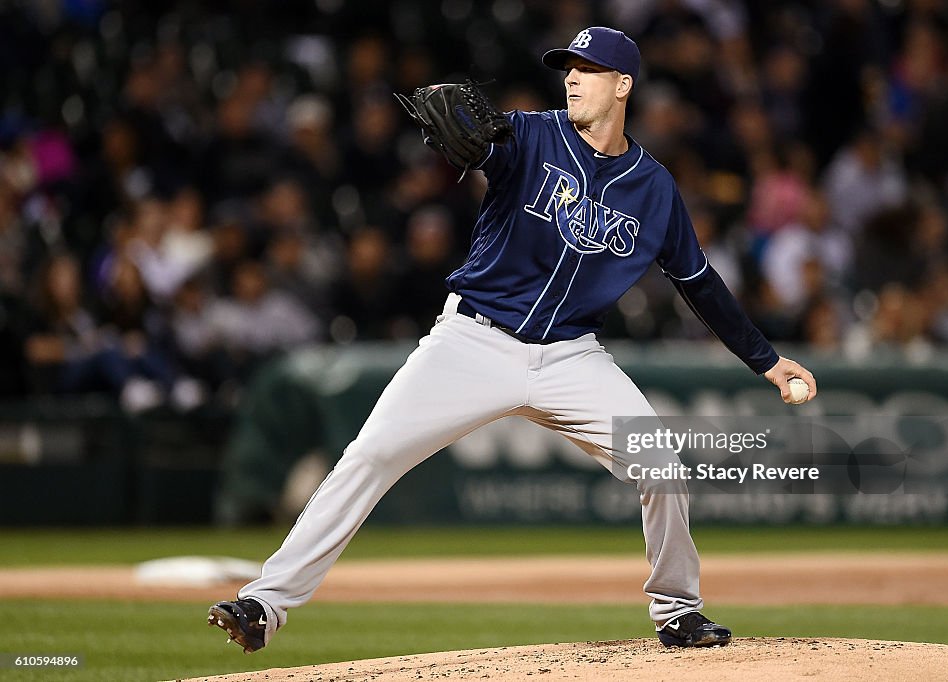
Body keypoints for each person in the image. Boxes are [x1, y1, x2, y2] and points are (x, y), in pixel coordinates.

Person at [207, 26, 817, 654]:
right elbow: (480, 149)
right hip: (474, 342)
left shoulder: (654, 187)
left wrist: (766, 361)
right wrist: (470, 145)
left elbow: (699, 281)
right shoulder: (529, 135)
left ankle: (678, 611)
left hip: (572, 356)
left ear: (623, 85)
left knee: (660, 463)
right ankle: (264, 603)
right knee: (370, 456)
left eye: (589, 68)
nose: (573, 78)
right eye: (568, 67)